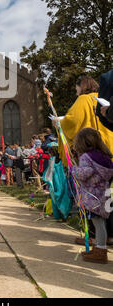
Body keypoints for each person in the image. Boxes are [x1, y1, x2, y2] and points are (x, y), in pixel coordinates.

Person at [72, 128, 113, 264]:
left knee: (98, 223)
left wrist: (74, 169)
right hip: (103, 195)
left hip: (92, 196)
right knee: (100, 222)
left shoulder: (86, 157)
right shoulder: (103, 156)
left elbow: (85, 173)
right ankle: (98, 248)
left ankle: (101, 251)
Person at [54, 75, 113, 165]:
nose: (76, 93)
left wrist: (59, 123)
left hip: (93, 149)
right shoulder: (104, 98)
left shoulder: (83, 99)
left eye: (76, 89)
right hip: (109, 144)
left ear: (82, 87)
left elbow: (73, 121)